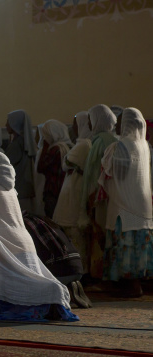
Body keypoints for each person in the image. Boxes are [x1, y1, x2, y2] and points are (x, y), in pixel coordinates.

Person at [0, 152, 79, 322]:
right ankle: (49, 298)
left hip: (5, 244)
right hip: (25, 243)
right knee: (28, 282)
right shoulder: (11, 189)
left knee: (10, 287)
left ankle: (38, 300)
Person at [99, 108, 153, 297]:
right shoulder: (145, 146)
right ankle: (137, 283)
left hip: (124, 203)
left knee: (125, 245)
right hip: (142, 206)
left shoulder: (122, 145)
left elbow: (118, 174)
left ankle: (131, 286)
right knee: (140, 245)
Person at [80, 104, 117, 279]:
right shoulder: (112, 139)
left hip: (99, 198)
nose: (88, 123)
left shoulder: (100, 141)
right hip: (111, 197)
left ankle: (99, 275)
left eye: (90, 119)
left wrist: (90, 197)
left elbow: (94, 173)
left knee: (98, 234)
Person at [53, 112, 92, 275]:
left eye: (76, 124)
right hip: (72, 187)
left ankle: (78, 271)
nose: (73, 127)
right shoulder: (82, 144)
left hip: (74, 191)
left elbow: (67, 162)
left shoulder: (83, 144)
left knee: (74, 234)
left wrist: (69, 163)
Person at [37, 120, 73, 218]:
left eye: (46, 135)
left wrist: (45, 147)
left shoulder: (55, 149)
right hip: (63, 190)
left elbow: (40, 167)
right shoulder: (67, 146)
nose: (44, 138)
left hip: (53, 191)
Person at [4, 110, 36, 212]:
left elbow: (7, 164)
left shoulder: (17, 144)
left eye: (8, 121)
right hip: (25, 189)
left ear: (15, 124)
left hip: (20, 190)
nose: (6, 125)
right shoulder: (23, 142)